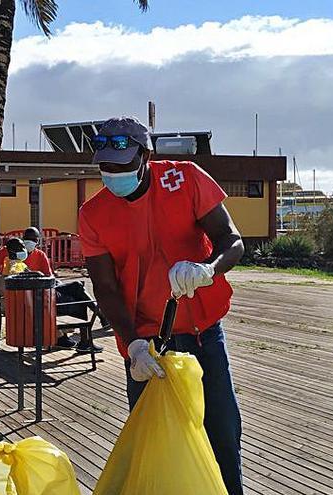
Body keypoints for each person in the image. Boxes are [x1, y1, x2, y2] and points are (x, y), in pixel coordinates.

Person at [79, 116, 245, 494]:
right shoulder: (94, 214)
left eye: (121, 165)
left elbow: (231, 240)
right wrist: (133, 345)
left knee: (221, 432)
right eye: (105, 166)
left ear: (145, 155)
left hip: (204, 337)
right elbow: (105, 287)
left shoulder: (185, 179)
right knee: (155, 441)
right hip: (146, 345)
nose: (113, 173)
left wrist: (208, 269)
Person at [0, 228, 103, 352]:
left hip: (24, 299)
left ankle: (65, 337)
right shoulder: (18, 264)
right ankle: (86, 338)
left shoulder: (9, 258)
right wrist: (38, 275)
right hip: (38, 300)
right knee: (77, 295)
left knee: (76, 290)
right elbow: (45, 278)